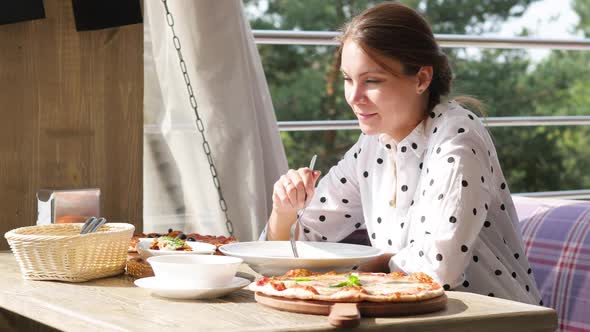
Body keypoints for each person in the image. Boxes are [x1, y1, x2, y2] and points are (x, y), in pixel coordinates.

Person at [262, 2, 542, 305]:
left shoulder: (458, 138)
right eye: (347, 79)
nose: (354, 97)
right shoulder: (371, 146)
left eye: (372, 81)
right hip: (411, 317)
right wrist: (285, 209)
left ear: (421, 79)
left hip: (496, 320)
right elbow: (296, 246)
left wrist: (348, 273)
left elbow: (436, 271)